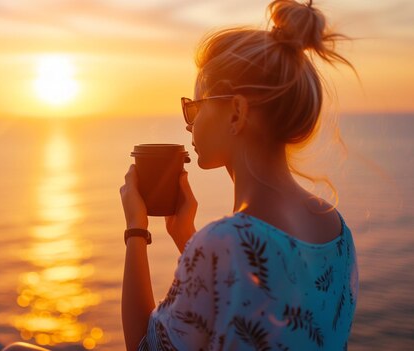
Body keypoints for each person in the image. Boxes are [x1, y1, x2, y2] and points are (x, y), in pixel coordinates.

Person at [120, 0, 359, 350]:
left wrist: (136, 230)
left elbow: (144, 346)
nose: (189, 123)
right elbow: (261, 298)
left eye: (196, 106)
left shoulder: (223, 242)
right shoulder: (338, 232)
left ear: (235, 112)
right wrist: (184, 235)